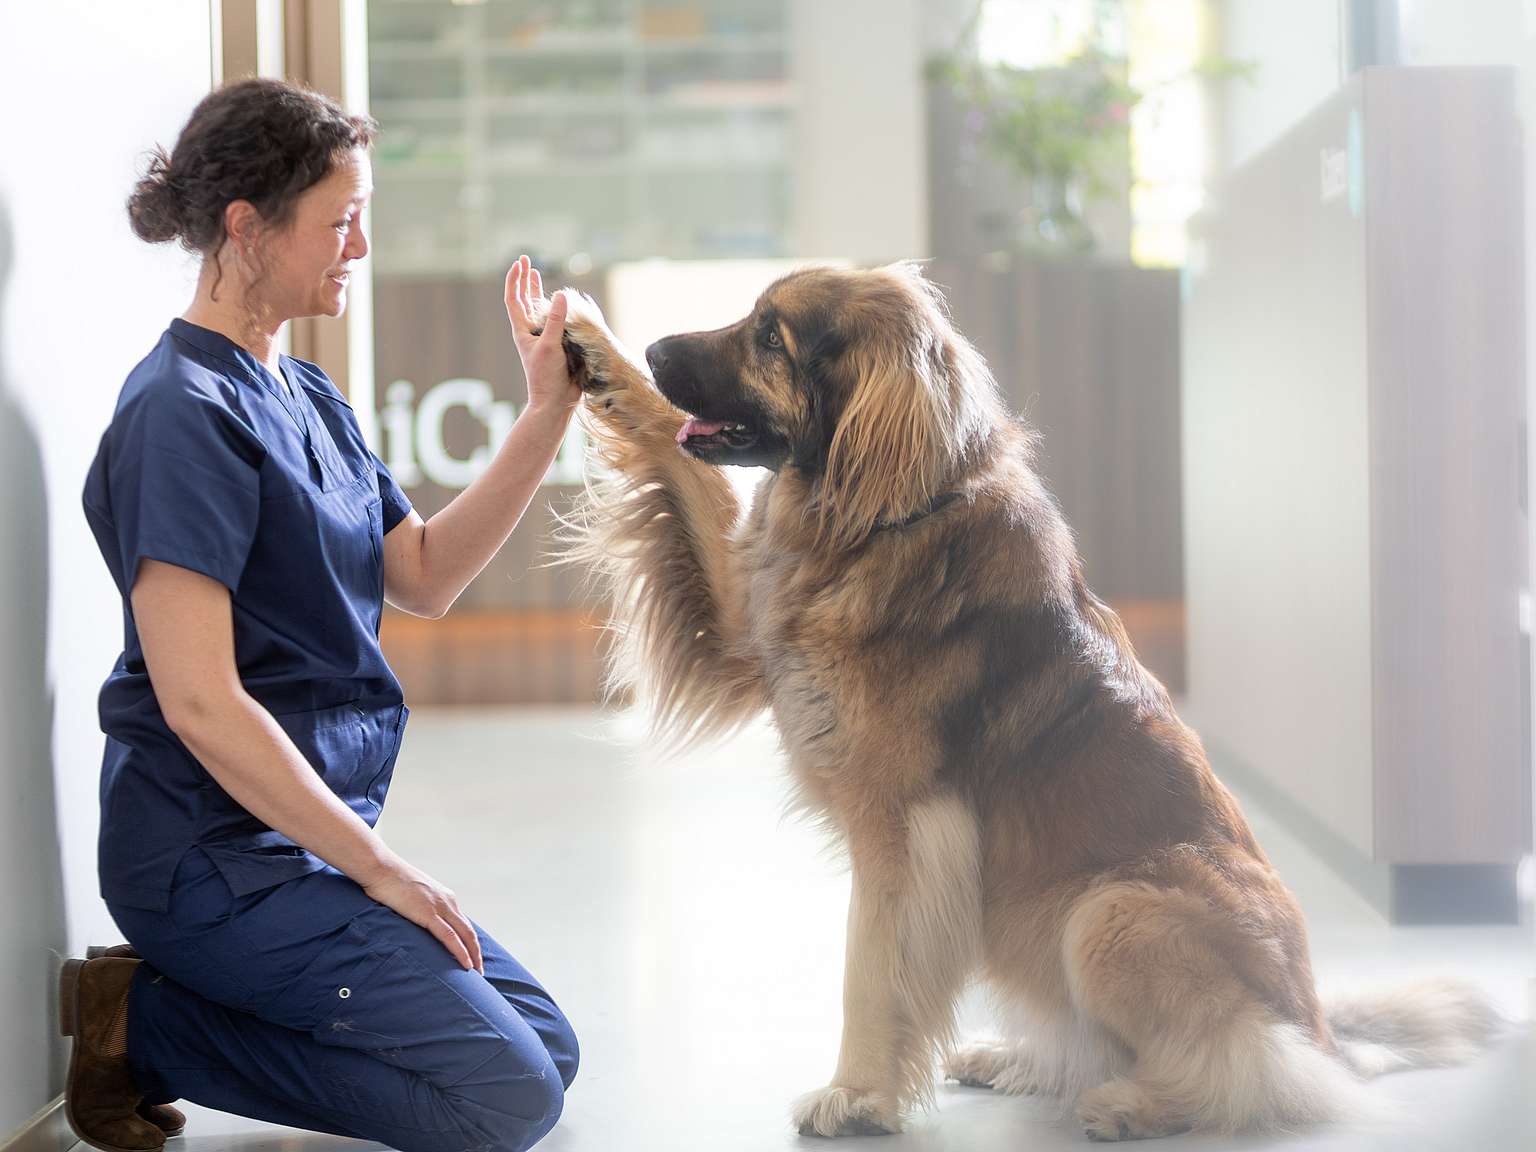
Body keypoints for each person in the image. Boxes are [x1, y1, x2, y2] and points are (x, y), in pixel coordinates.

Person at [62, 77, 579, 1152]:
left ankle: (191, 1011)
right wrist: (380, 870)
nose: (360, 246)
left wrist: (543, 413)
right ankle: (145, 1026)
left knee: (544, 1049)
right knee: (508, 1097)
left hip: (295, 846)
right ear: (246, 228)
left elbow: (425, 575)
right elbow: (200, 704)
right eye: (340, 221)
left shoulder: (306, 397)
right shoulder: (177, 415)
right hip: (204, 860)